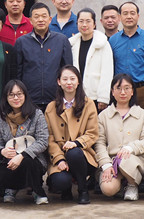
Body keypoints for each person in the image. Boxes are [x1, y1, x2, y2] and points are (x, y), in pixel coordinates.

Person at [44, 65, 98, 204]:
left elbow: (92, 133)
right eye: (65, 79)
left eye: (73, 79)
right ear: (59, 82)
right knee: (60, 182)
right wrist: (59, 159)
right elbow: (49, 138)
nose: (69, 82)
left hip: (82, 155)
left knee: (74, 153)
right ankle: (66, 189)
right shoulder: (51, 107)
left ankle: (83, 190)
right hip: (60, 155)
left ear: (78, 81)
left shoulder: (88, 104)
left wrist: (76, 143)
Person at [95, 73, 144, 201]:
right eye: (118, 88)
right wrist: (106, 164)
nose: (123, 92)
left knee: (125, 160)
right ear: (112, 92)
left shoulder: (142, 114)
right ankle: (120, 186)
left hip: (134, 160)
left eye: (127, 88)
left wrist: (131, 148)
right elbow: (99, 143)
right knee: (108, 189)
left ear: (132, 91)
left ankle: (132, 184)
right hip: (112, 161)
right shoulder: (103, 116)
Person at [0, 80, 49, 205]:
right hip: (9, 160)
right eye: (11, 95)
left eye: (19, 94)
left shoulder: (36, 114)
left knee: (27, 162)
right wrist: (2, 151)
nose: (16, 98)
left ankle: (36, 190)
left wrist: (22, 155)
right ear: (6, 97)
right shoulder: (1, 118)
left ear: (25, 95)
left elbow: (43, 141)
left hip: (33, 159)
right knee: (1, 172)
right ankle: (11, 189)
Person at [15, 2, 73, 108]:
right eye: (36, 17)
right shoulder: (21, 42)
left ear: (50, 19)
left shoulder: (61, 40)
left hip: (55, 99)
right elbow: (17, 73)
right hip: (30, 99)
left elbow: (68, 70)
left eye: (44, 16)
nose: (40, 20)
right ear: (30, 20)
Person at [110, 1, 144, 110]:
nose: (129, 16)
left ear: (138, 16)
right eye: (125, 13)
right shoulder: (113, 40)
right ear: (119, 17)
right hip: (120, 91)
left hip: (142, 91)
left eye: (132, 13)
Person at [69, 8, 114, 111]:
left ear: (94, 24)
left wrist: (103, 97)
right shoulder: (72, 44)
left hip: (95, 97)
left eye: (88, 21)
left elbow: (107, 72)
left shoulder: (103, 44)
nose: (84, 25)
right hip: (76, 96)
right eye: (81, 21)